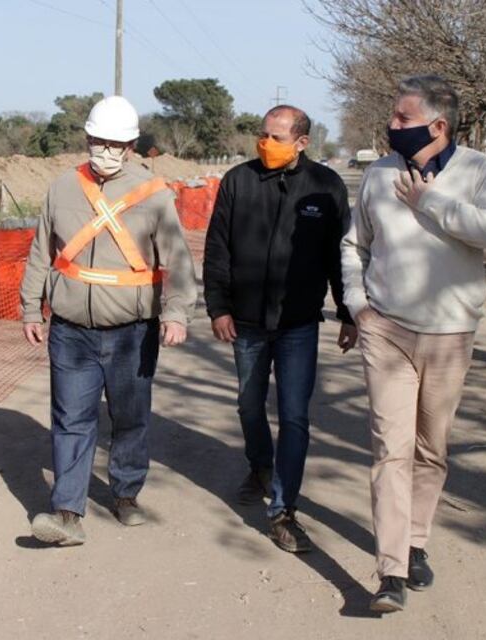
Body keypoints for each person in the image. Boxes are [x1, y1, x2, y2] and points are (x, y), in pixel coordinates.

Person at [341, 75, 486, 612]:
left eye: (402, 119)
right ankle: (390, 571)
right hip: (387, 330)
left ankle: (416, 540)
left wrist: (433, 202)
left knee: (429, 449)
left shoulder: (479, 172)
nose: (392, 126)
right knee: (389, 450)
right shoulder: (378, 174)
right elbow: (355, 244)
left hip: (449, 336)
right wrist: (358, 305)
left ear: (437, 126)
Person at [19, 95, 197, 546]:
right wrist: (29, 307)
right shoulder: (62, 187)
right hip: (70, 329)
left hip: (132, 331)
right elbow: (42, 249)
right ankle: (66, 513)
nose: (106, 151)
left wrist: (176, 312)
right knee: (71, 419)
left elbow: (176, 259)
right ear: (87, 138)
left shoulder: (155, 195)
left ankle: (126, 493)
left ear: (132, 145)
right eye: (99, 142)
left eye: (116, 144)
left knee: (130, 416)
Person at [203, 105, 356, 554]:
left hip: (298, 326)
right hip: (246, 323)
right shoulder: (238, 181)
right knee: (250, 406)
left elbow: (338, 258)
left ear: (302, 142)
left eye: (277, 137)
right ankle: (260, 465)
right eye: (263, 135)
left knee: (293, 416)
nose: (265, 144)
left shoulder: (325, 188)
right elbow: (217, 250)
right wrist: (218, 308)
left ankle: (283, 509)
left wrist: (347, 313)